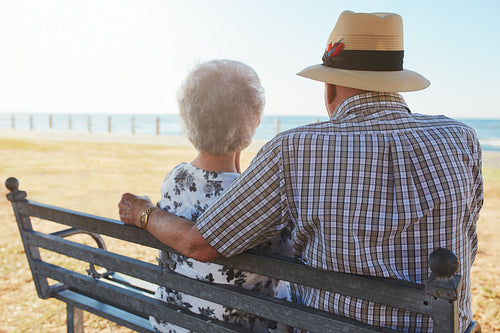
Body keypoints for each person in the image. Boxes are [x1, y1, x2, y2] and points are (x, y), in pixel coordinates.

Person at [119, 11, 483, 332]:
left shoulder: (295, 148)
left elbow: (201, 242)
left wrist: (143, 212)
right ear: (396, 81)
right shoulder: (463, 139)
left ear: (330, 87)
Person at [138, 59, 292, 333]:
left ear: (189, 117)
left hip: (172, 325)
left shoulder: (176, 178)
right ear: (253, 121)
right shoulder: (263, 198)